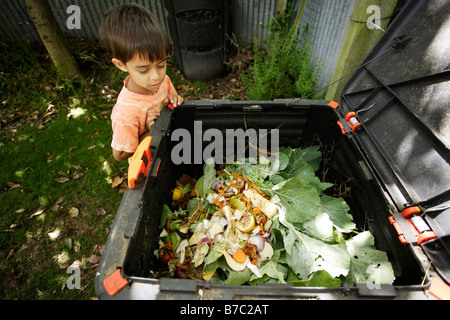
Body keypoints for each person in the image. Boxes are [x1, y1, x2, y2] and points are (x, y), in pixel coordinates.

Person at [99, 3, 183, 161]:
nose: (156, 76)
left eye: (161, 65)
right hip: (148, 164)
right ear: (121, 65)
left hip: (170, 150)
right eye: (143, 70)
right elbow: (119, 155)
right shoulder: (126, 112)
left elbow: (171, 97)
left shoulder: (163, 81)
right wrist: (149, 130)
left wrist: (174, 99)